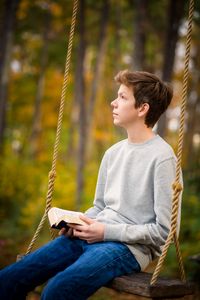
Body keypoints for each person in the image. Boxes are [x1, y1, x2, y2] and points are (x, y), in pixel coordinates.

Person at [0, 70, 181, 300]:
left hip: (126, 249)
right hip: (91, 236)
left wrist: (106, 231)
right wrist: (79, 223)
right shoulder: (113, 153)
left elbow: (164, 232)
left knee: (58, 290)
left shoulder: (163, 158)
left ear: (142, 108)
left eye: (123, 97)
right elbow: (99, 207)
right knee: (9, 279)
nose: (113, 103)